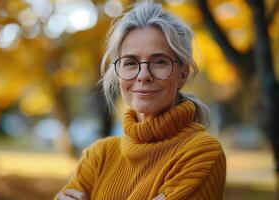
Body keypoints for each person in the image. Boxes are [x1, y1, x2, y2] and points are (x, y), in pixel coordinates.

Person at [56, 1, 226, 200]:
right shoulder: (99, 155)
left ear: (182, 74)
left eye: (159, 62)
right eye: (130, 63)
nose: (143, 75)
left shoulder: (201, 153)